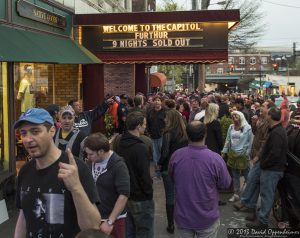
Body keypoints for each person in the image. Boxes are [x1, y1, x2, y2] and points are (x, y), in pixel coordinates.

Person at [14, 108, 101, 238]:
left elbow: (93, 227)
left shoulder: (76, 168)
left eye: (35, 131)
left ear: (52, 131)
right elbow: (24, 217)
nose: (27, 139)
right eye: (24, 133)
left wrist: (76, 188)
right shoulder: (25, 171)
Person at [169, 121, 231, 238]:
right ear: (205, 134)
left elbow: (173, 178)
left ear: (187, 135)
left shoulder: (176, 156)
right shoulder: (215, 159)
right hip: (207, 218)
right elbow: (225, 183)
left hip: (183, 218)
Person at [246, 107, 288, 228]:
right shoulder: (275, 130)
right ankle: (260, 217)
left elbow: (274, 154)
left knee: (266, 195)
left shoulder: (277, 132)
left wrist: (264, 164)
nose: (264, 114)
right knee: (265, 194)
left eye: (267, 113)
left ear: (270, 116)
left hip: (272, 170)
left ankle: (262, 222)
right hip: (271, 168)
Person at [114, 111, 154, 238]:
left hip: (124, 195)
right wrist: (148, 194)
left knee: (129, 231)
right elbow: (144, 175)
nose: (145, 127)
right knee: (144, 231)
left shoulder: (119, 142)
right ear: (138, 126)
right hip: (140, 197)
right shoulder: (140, 148)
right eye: (144, 124)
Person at [233, 101, 274, 221]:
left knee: (252, 179)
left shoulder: (269, 123)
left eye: (264, 106)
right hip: (257, 155)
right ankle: (250, 206)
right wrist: (254, 123)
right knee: (254, 181)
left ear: (269, 110)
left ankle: (245, 202)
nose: (261, 108)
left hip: (261, 158)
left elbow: (264, 142)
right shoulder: (262, 119)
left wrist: (258, 156)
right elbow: (256, 134)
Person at [84, 133, 130, 238]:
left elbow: (124, 195)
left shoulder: (118, 166)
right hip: (96, 217)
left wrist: (110, 222)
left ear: (101, 152)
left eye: (91, 154)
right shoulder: (92, 162)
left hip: (113, 220)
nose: (88, 157)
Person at [157, 109, 188, 234]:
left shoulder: (168, 133)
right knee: (181, 195)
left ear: (171, 119)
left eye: (166, 118)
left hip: (168, 168)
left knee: (170, 196)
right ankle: (183, 220)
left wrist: (159, 163)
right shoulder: (184, 133)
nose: (164, 119)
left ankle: (171, 224)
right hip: (182, 168)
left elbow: (164, 152)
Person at [222, 111, 253, 202]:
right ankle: (236, 194)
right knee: (235, 176)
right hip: (233, 154)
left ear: (241, 117)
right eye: (232, 116)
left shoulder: (247, 127)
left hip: (243, 155)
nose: (234, 118)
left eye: (236, 116)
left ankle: (249, 194)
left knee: (248, 176)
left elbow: (250, 142)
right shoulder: (231, 127)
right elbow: (228, 140)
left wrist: (247, 153)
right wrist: (224, 151)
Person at [146, 95, 166, 179]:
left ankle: (163, 173)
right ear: (153, 102)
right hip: (153, 137)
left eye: (158, 100)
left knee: (162, 156)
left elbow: (167, 124)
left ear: (161, 102)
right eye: (155, 100)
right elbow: (148, 123)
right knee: (155, 157)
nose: (157, 102)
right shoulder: (150, 112)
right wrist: (149, 133)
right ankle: (158, 175)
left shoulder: (165, 112)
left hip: (162, 137)